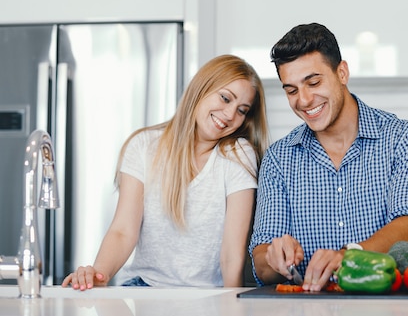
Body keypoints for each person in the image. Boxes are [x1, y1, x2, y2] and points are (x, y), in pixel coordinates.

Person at [249, 23, 408, 291]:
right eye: (291, 90)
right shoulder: (279, 159)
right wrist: (274, 257)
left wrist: (348, 254)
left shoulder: (404, 141)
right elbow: (261, 262)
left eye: (313, 82)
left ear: (342, 72)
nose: (303, 100)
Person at [62, 54, 270, 289]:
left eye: (242, 110)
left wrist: (232, 306)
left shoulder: (238, 154)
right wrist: (97, 278)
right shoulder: (143, 145)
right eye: (225, 98)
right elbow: (122, 231)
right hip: (145, 288)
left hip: (207, 297)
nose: (231, 115)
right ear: (201, 89)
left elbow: (232, 253)